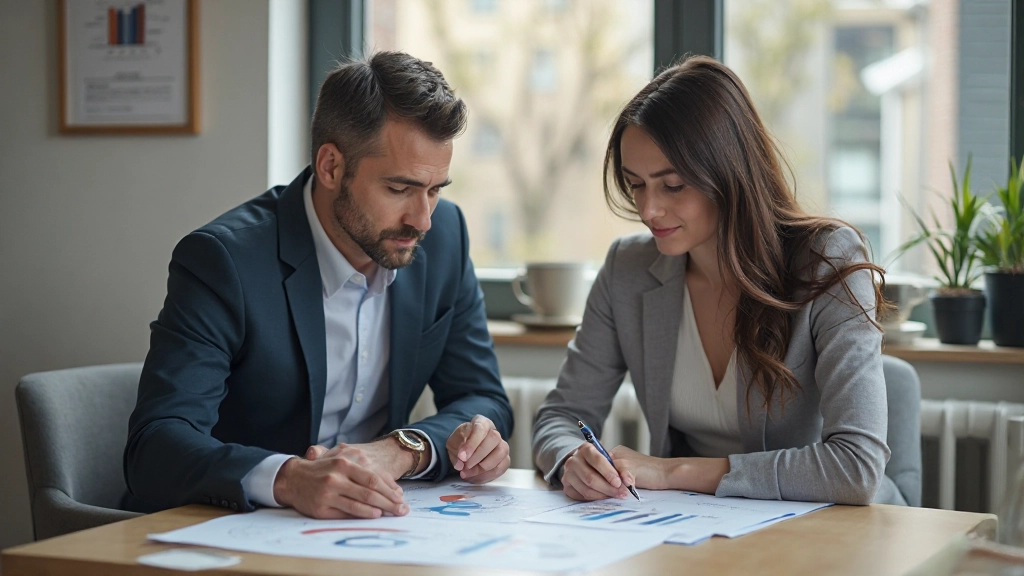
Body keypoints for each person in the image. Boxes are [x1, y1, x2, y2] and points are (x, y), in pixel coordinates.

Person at [124, 51, 513, 520]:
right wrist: (287, 478)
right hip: (231, 527)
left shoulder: (445, 236)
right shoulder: (224, 260)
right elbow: (156, 446)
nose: (422, 219)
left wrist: (403, 449)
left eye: (435, 190)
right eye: (399, 189)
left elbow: (483, 399)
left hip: (369, 529)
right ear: (330, 166)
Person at [532, 55, 904, 506]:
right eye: (636, 185)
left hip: (820, 526)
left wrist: (673, 473)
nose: (648, 210)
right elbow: (562, 415)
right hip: (694, 526)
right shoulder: (627, 269)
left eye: (672, 186)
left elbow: (856, 468)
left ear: (728, 173)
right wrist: (573, 457)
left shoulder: (826, 259)